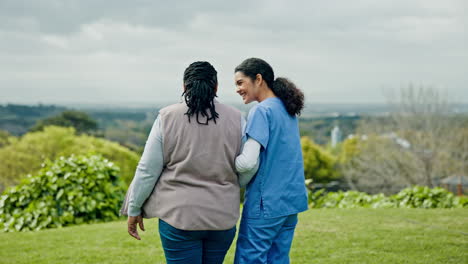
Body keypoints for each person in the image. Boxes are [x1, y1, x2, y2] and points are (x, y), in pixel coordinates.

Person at [119, 61, 257, 264]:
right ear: (216, 87)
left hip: (178, 217)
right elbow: (249, 164)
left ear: (184, 87)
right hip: (222, 218)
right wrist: (235, 184)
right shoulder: (238, 118)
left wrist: (134, 208)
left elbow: (148, 170)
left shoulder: (167, 117)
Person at [233, 58, 309, 264]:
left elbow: (248, 162)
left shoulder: (261, 110)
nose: (238, 89)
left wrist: (226, 170)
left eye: (240, 83)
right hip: (290, 201)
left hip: (266, 202)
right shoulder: (287, 109)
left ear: (258, 79)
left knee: (250, 258)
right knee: (278, 259)